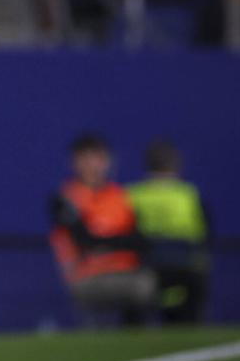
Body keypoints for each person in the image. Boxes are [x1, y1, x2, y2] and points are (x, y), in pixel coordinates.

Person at [49, 133, 156, 326]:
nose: (92, 165)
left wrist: (106, 241)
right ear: (75, 162)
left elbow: (141, 240)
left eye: (98, 158)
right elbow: (85, 241)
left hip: (127, 270)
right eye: (85, 158)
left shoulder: (121, 197)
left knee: (158, 279)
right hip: (87, 276)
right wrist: (118, 241)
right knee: (143, 286)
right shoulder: (66, 199)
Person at [127, 140, 210, 323]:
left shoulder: (133, 194)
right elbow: (204, 234)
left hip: (146, 265)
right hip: (183, 265)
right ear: (177, 166)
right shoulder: (188, 194)